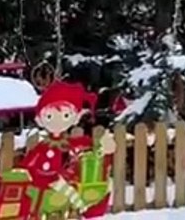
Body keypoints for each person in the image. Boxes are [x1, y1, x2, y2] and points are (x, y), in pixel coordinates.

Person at [17, 81, 115, 218]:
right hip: (37, 177)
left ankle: (81, 208)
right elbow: (30, 160)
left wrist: (100, 143)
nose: (57, 121)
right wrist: (22, 169)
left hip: (55, 178)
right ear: (41, 119)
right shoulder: (42, 145)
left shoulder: (67, 143)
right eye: (50, 116)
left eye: (65, 116)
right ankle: (81, 207)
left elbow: (85, 143)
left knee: (69, 190)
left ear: (74, 118)